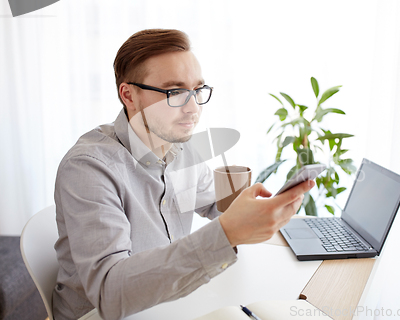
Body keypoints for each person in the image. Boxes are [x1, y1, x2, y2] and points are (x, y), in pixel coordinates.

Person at [52, 29, 314, 320]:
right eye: (175, 92)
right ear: (129, 95)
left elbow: (214, 205)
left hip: (165, 304)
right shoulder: (89, 167)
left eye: (197, 90)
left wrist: (264, 208)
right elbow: (109, 294)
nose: (193, 109)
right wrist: (228, 232)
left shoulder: (180, 147)